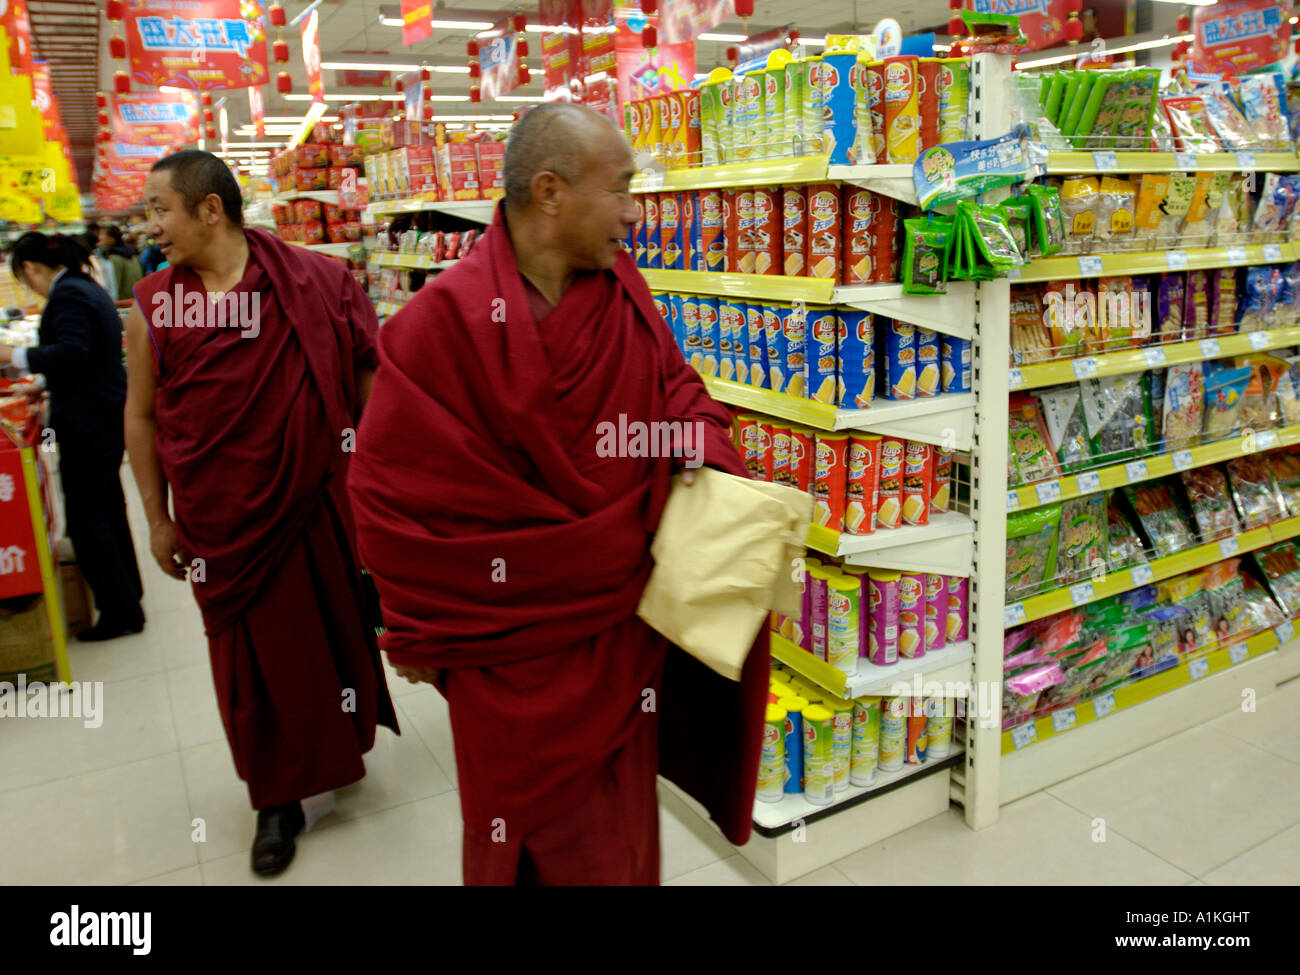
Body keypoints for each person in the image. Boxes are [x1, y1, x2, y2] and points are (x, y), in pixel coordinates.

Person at [348, 102, 769, 886]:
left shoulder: (620, 295)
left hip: (619, 633)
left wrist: (700, 453)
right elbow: (384, 498)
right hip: (506, 658)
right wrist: (418, 626)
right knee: (527, 849)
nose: (634, 213)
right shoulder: (439, 325)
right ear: (549, 192)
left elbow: (679, 390)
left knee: (620, 840)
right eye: (620, 189)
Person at [124, 149, 398, 876]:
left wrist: (373, 475)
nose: (151, 224)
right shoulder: (155, 305)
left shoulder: (317, 279)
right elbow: (142, 417)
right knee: (253, 662)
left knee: (326, 630)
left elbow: (371, 378)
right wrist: (156, 516)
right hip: (222, 524)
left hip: (313, 499)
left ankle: (337, 744)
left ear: (209, 209)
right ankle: (274, 799)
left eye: (159, 208)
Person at [0, 232, 146, 640]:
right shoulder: (84, 287)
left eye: (24, 278)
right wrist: (44, 384)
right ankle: (128, 594)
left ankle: (119, 612)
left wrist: (13, 357)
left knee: (86, 519)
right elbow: (85, 359)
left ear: (30, 268)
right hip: (102, 414)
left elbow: (72, 352)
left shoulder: (68, 297)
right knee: (108, 509)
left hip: (89, 422)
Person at [98, 225, 142, 302]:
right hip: (135, 298)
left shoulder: (115, 258)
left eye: (102, 234)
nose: (99, 237)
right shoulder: (131, 254)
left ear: (112, 238)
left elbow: (115, 285)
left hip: (122, 301)